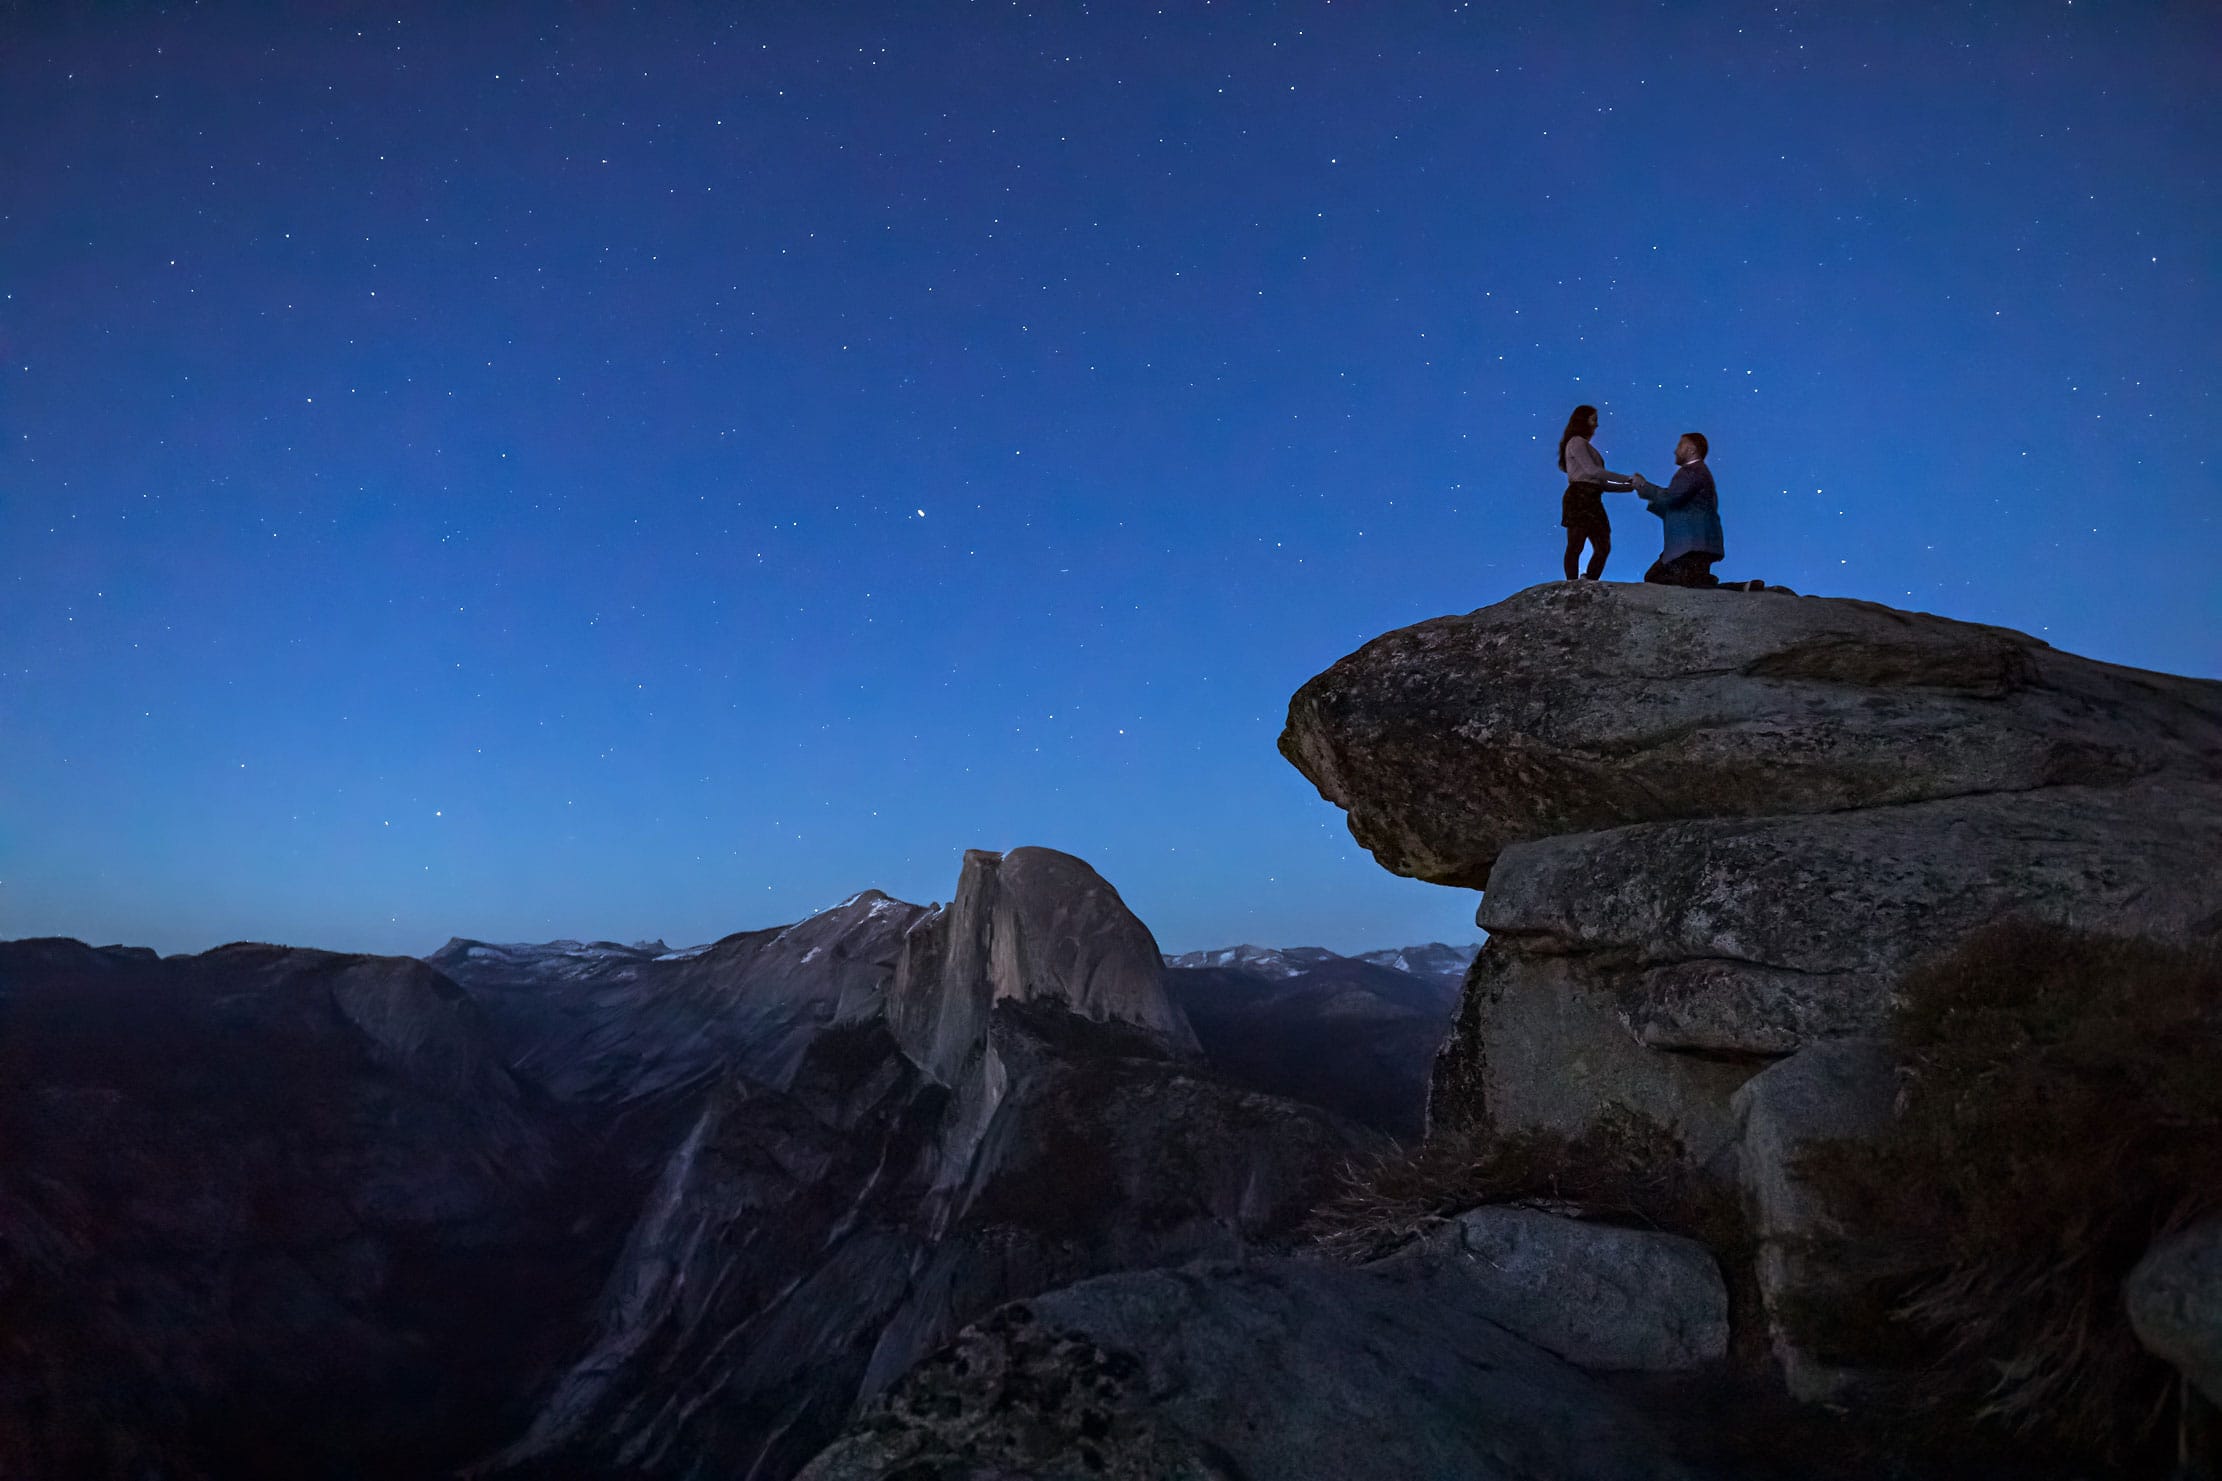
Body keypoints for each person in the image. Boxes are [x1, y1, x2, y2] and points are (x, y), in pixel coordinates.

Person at [1631, 432, 1728, 587]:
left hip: (1692, 546)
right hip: (1697, 545)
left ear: (1691, 450)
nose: (1675, 451)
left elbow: (1671, 498)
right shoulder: (1699, 472)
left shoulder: (1692, 471)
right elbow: (1676, 506)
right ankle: (1721, 584)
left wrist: (1644, 486)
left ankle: (1717, 584)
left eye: (1680, 445)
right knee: (1660, 577)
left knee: (1661, 578)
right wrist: (1645, 491)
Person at [1555, 404, 1637, 581]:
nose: (1596, 425)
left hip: (1592, 497)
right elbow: (1593, 472)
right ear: (1583, 421)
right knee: (1576, 544)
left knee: (1603, 546)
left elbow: (1602, 483)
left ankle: (1589, 580)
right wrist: (1628, 479)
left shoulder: (1585, 446)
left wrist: (1629, 487)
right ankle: (1571, 584)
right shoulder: (1576, 442)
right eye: (1594, 420)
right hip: (1579, 496)